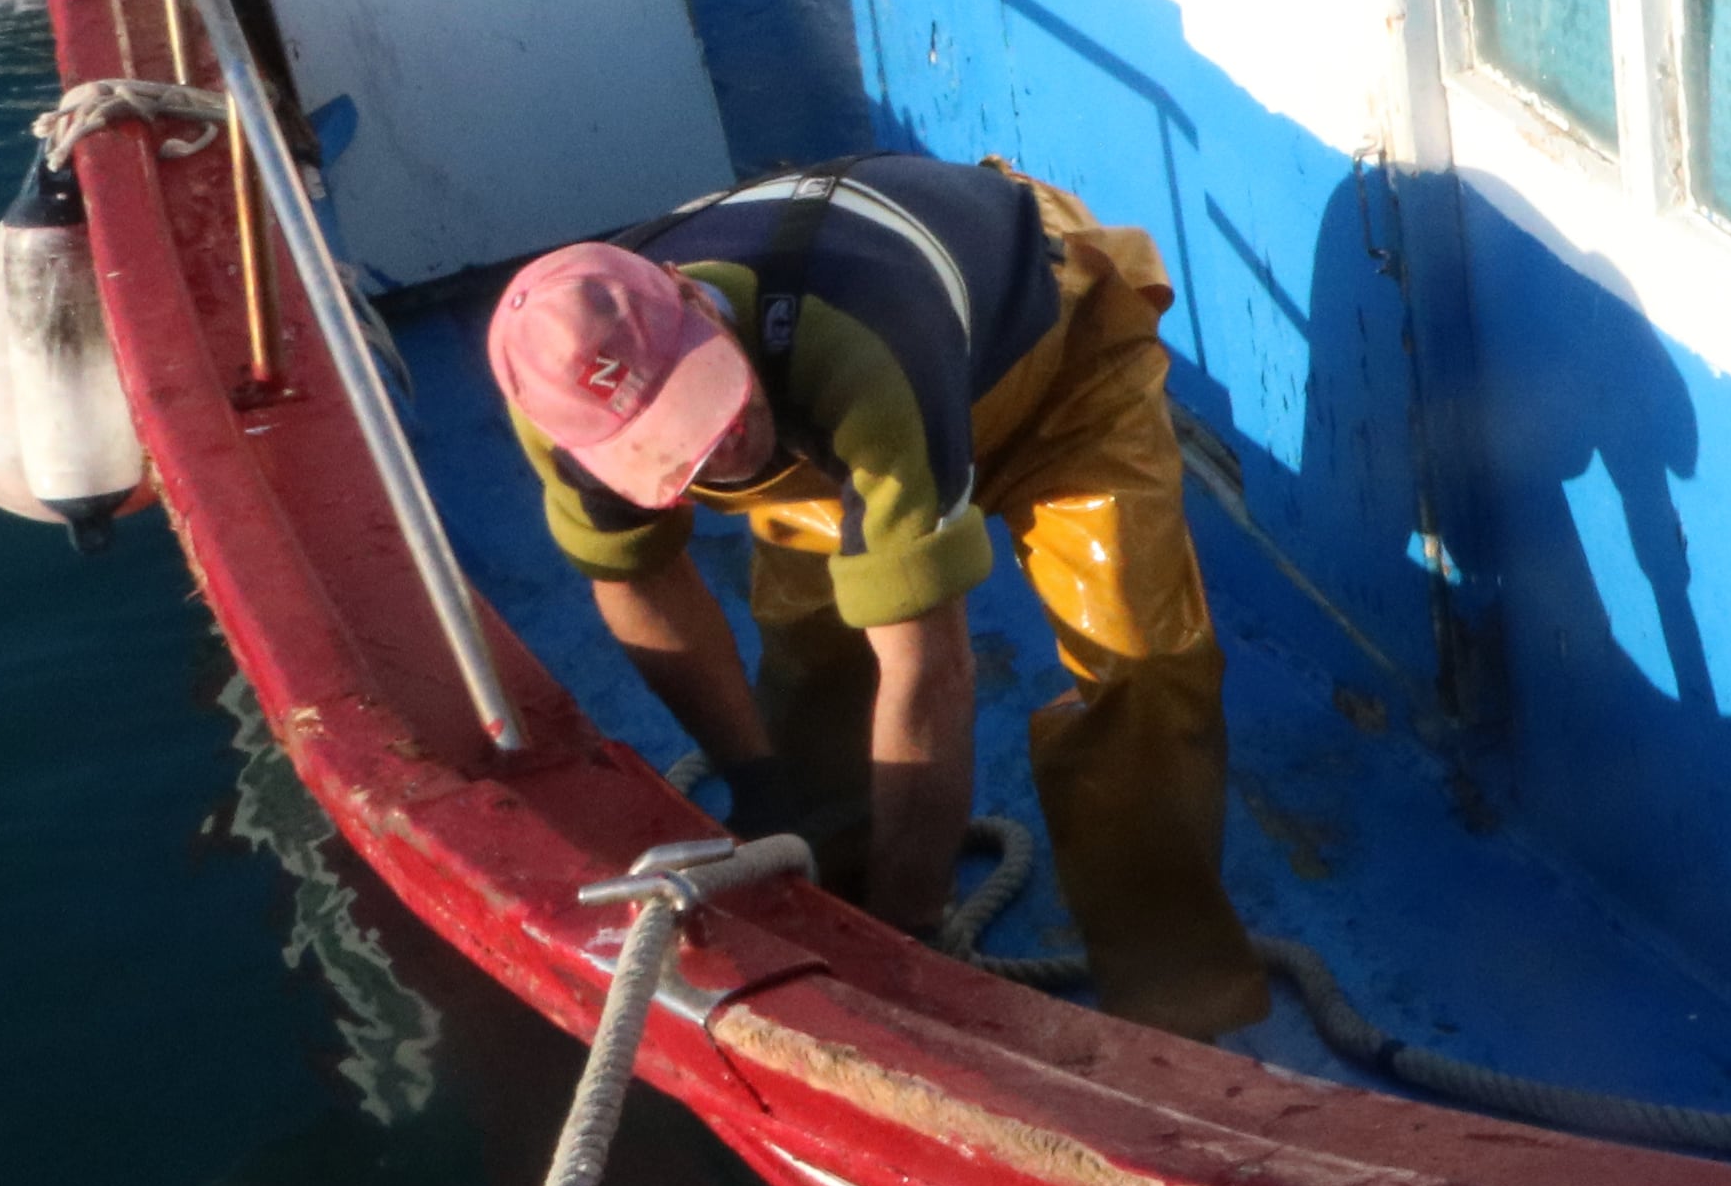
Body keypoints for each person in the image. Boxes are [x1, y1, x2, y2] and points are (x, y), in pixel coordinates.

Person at [486, 155, 1271, 1039]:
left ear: (695, 297)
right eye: (677, 445)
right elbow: (636, 575)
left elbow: (929, 669)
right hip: (836, 417)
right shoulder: (561, 408)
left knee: (1142, 667)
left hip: (1047, 362)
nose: (722, 440)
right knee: (814, 647)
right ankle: (829, 892)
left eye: (708, 395)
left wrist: (912, 948)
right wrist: (756, 782)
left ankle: (1173, 997)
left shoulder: (864, 340)